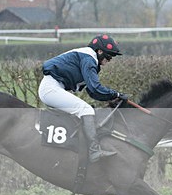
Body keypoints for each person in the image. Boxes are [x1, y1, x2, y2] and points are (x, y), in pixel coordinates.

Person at [39, 34, 128, 163]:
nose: (109, 61)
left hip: (53, 88)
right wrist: (116, 94)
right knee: (86, 110)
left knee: (86, 110)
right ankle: (94, 151)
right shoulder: (89, 59)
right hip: (51, 89)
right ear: (99, 51)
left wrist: (112, 98)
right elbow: (95, 87)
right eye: (108, 57)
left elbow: (92, 92)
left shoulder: (88, 58)